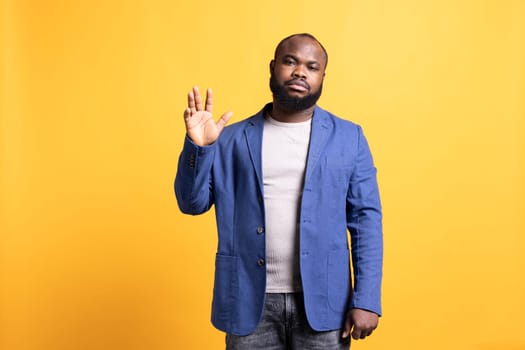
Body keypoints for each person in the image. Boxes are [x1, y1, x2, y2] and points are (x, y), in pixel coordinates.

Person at [175, 33, 383, 349]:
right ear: (273, 67)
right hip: (248, 301)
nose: (300, 72)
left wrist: (366, 298)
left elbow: (366, 219)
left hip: (326, 303)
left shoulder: (349, 137)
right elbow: (192, 203)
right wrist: (199, 148)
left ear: (322, 77)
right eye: (290, 62)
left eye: (312, 67)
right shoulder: (230, 139)